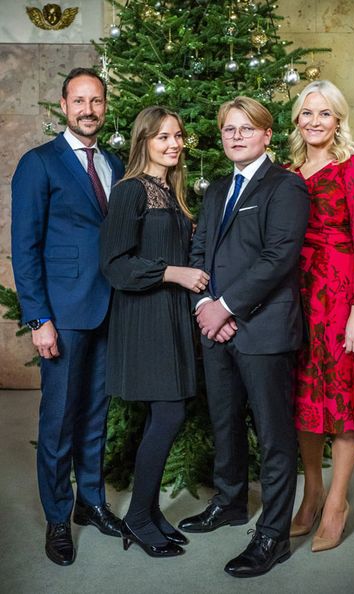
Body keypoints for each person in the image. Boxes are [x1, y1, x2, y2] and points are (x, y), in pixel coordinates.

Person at [178, 96, 310, 578]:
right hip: (215, 326)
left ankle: (272, 536)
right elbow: (198, 248)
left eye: (246, 129)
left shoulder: (285, 187)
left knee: (274, 435)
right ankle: (230, 503)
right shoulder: (215, 189)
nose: (236, 136)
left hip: (264, 328)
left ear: (266, 135)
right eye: (229, 129)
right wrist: (201, 304)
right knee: (225, 421)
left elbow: (278, 258)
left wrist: (225, 307)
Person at [11, 67, 125, 566]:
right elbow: (24, 246)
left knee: (95, 416)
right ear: (63, 105)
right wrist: (38, 319)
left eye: (96, 100)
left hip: (109, 310)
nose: (88, 109)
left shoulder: (114, 163)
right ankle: (58, 518)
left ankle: (91, 502)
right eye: (79, 100)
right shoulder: (39, 163)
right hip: (62, 314)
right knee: (58, 422)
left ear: (104, 106)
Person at [100, 106, 209, 558]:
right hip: (145, 318)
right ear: (143, 140)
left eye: (178, 136)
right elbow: (115, 264)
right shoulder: (131, 191)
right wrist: (174, 273)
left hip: (171, 317)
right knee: (168, 413)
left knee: (169, 412)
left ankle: (148, 510)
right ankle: (139, 518)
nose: (173, 144)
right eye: (162, 137)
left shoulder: (169, 191)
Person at [288, 80, 354, 553]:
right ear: (296, 120)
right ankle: (312, 494)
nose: (314, 122)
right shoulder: (287, 172)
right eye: (307, 113)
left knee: (342, 402)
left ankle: (337, 504)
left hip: (341, 300)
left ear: (339, 120)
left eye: (324, 114)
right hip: (298, 299)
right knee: (305, 398)